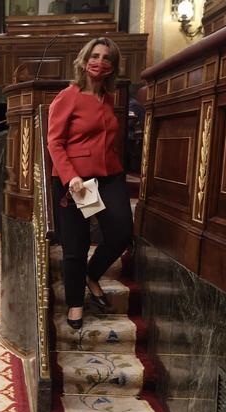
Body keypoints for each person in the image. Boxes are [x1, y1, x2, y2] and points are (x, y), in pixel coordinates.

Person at [46, 37, 131, 330]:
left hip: (109, 176)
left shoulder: (108, 98)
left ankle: (91, 274)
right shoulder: (68, 96)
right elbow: (54, 142)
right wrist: (71, 177)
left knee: (121, 233)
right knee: (76, 245)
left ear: (113, 67)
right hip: (76, 182)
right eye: (95, 56)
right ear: (84, 61)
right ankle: (75, 303)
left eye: (107, 58)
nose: (100, 62)